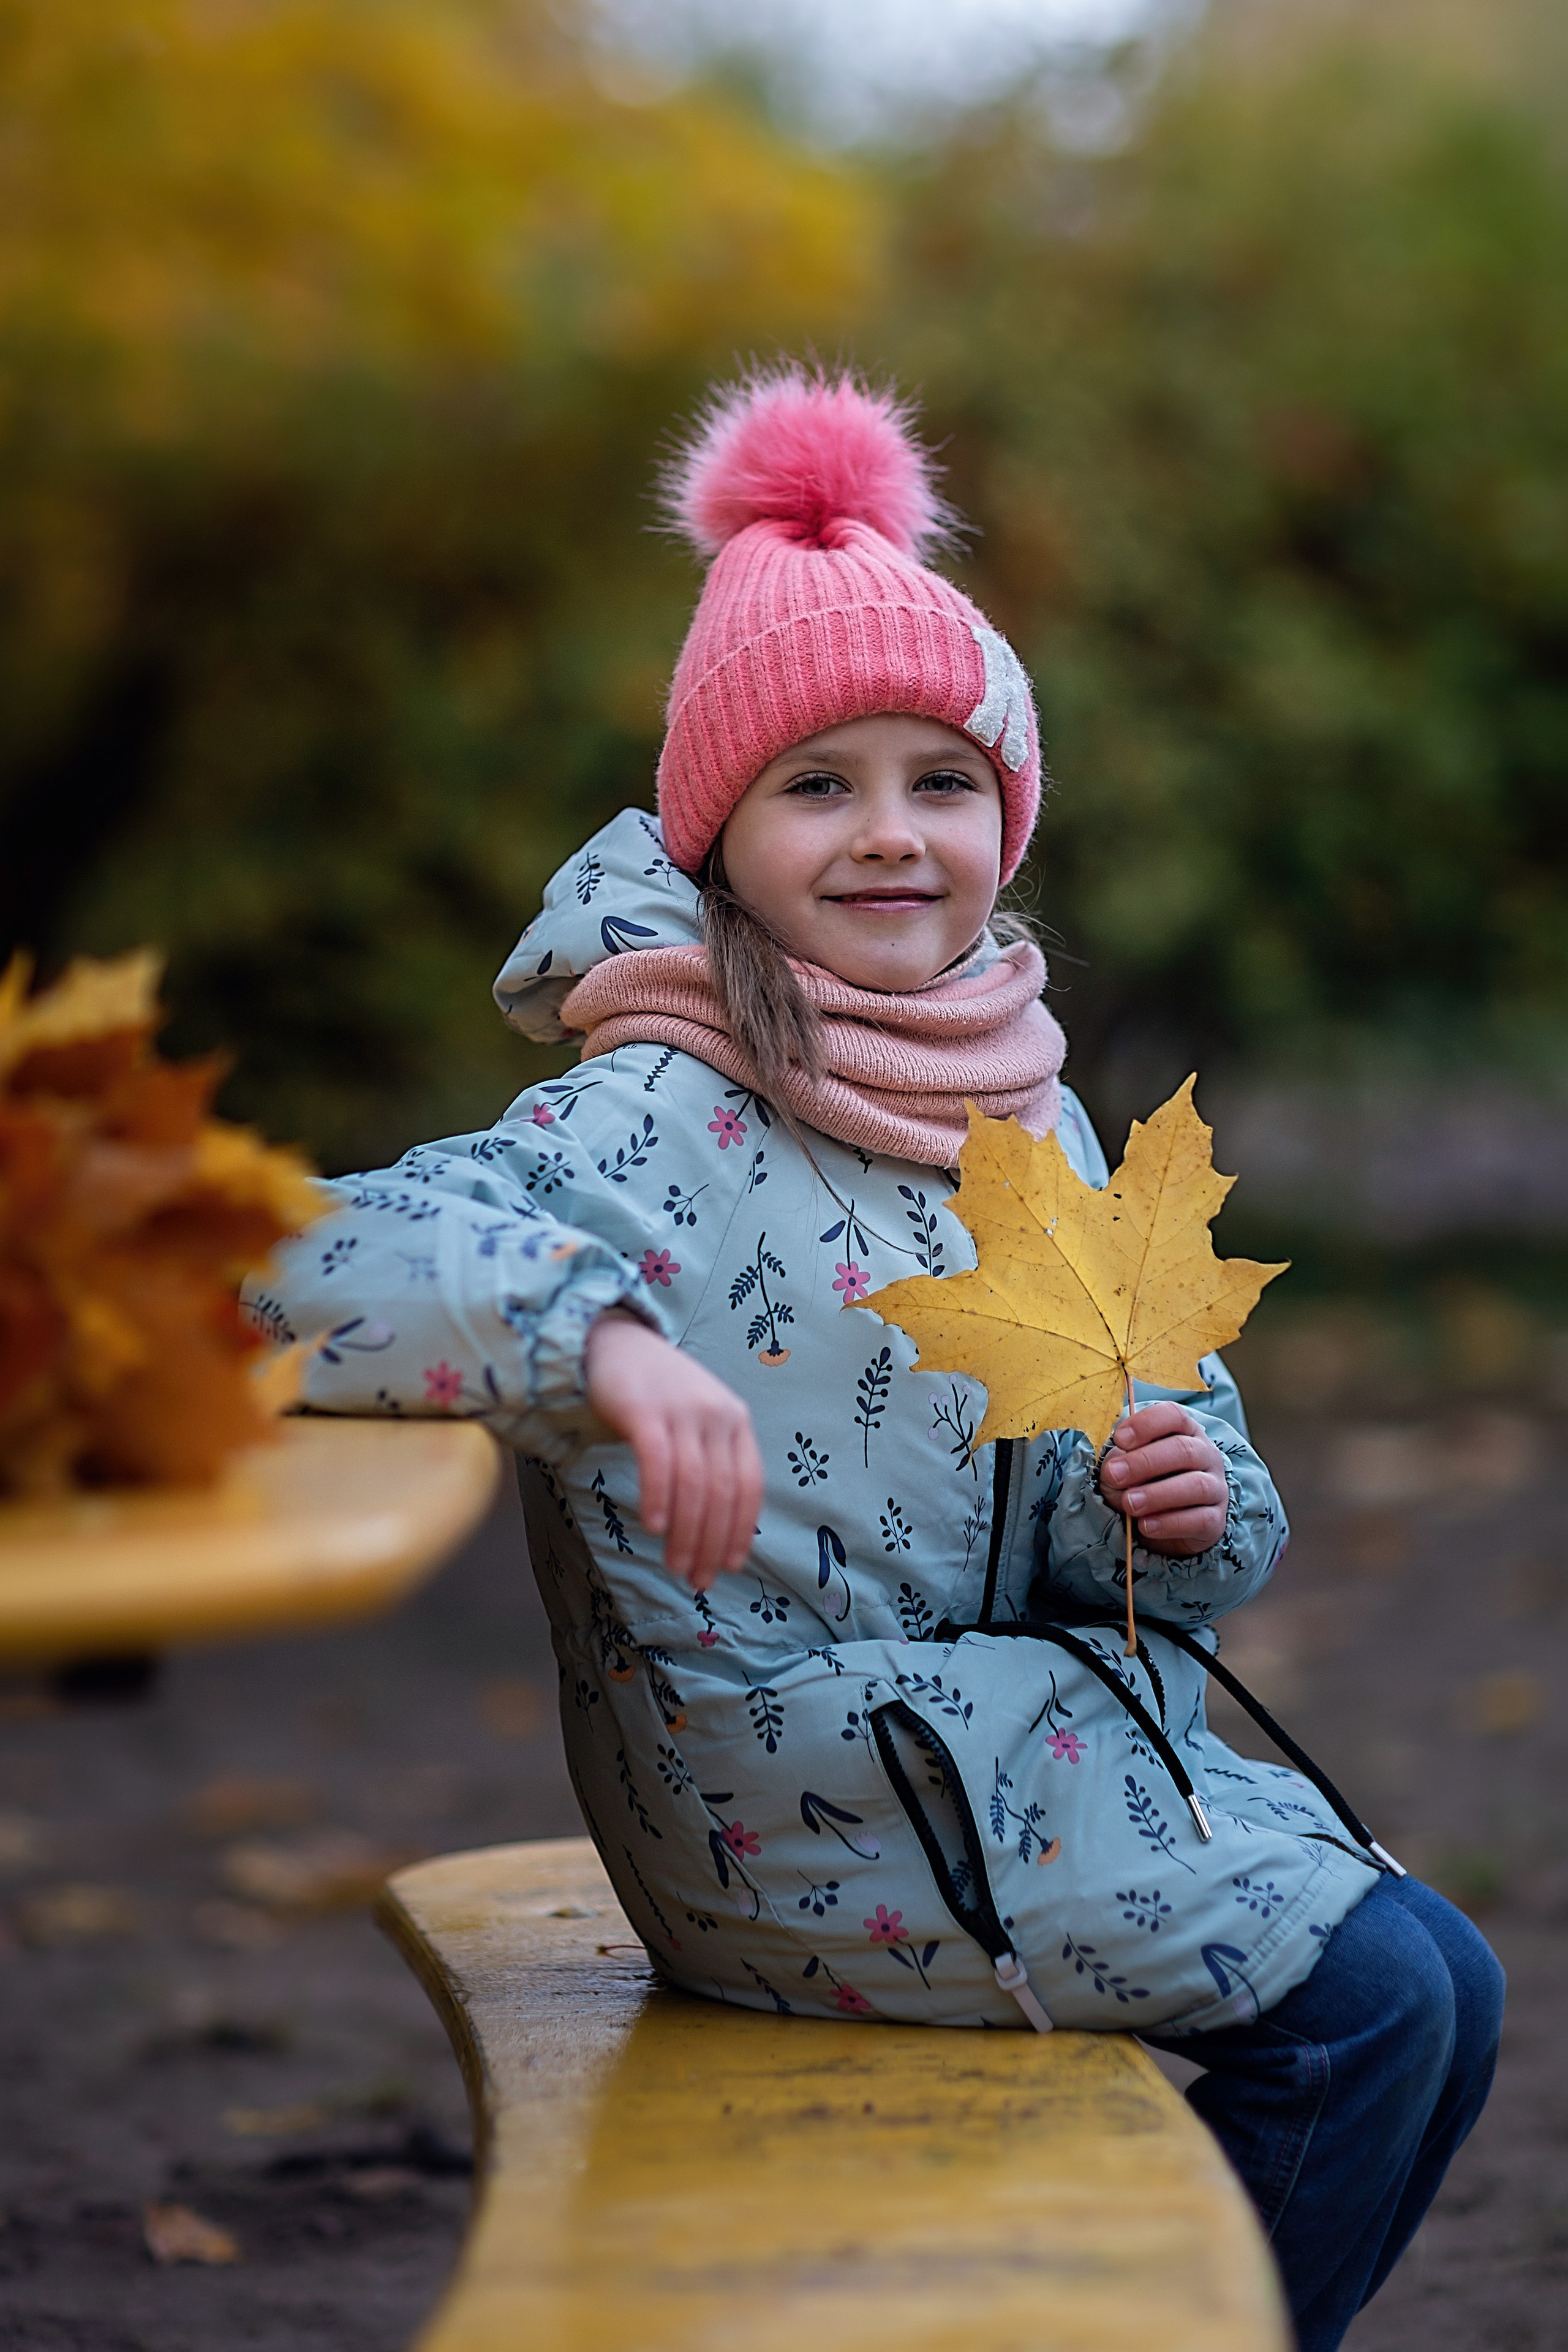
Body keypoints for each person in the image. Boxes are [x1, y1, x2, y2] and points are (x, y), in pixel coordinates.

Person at [249, 366, 1501, 2348]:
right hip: (789, 1798)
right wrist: (599, 1343)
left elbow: (1164, 1519)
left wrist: (1175, 1510)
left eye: (942, 782)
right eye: (818, 785)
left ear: (1005, 819)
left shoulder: (1033, 1113)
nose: (891, 836)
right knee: (1367, 2011)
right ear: (718, 827)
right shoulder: (652, 1111)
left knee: (1453, 1990)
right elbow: (276, 1254)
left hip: (1010, 1728)